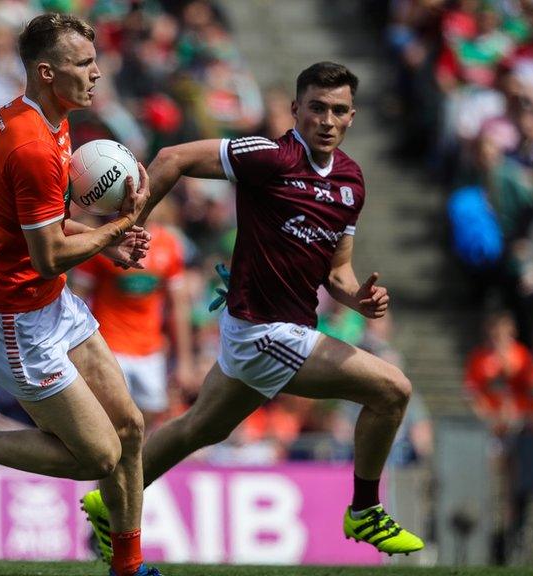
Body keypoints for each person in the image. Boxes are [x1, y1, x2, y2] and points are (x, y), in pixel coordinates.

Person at [80, 61, 425, 560]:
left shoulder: (351, 181)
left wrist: (358, 298)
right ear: (295, 110)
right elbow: (172, 157)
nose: (326, 120)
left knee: (201, 427)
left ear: (352, 117)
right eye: (317, 108)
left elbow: (338, 272)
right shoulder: (270, 155)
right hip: (261, 330)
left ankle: (107, 499)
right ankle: (365, 509)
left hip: (284, 328)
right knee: (393, 389)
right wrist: (123, 227)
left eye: (338, 110)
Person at [0, 13, 162, 576]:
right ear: (47, 72)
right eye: (84, 64)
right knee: (98, 454)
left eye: (95, 61)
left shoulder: (37, 117)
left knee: (131, 428)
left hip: (46, 300)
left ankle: (129, 566)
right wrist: (120, 227)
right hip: (15, 320)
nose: (97, 74)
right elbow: (47, 252)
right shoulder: (33, 147)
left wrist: (101, 245)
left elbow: (34, 231)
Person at [71, 203, 195, 429]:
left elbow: (178, 306)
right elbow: (78, 300)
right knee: (116, 421)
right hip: (109, 349)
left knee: (149, 421)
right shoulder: (103, 242)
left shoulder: (169, 244)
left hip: (151, 351)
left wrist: (184, 361)